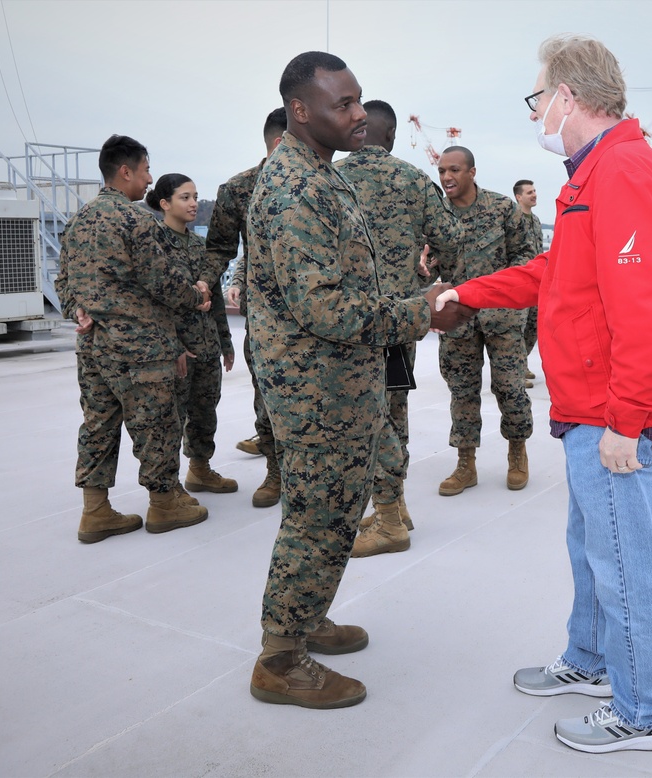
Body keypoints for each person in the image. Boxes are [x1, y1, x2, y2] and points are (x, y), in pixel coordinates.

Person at [435, 34, 652, 753]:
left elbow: (647, 310)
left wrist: (624, 420)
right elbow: (555, 272)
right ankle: (591, 661)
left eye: (536, 97)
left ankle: (644, 714)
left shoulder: (625, 172)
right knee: (590, 547)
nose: (535, 112)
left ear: (567, 97)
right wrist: (466, 292)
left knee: (623, 562)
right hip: (585, 406)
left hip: (611, 412)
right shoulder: (591, 175)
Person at [245, 51, 474, 710]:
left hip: (340, 380)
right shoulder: (296, 187)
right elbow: (323, 307)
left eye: (357, 101)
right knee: (318, 516)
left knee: (332, 510)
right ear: (300, 109)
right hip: (314, 386)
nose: (356, 116)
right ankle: (280, 657)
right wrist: (421, 311)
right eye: (341, 104)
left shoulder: (321, 174)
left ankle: (306, 615)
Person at [54, 135, 210, 542]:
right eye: (145, 171)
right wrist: (197, 295)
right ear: (126, 172)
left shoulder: (78, 221)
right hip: (140, 347)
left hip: (92, 347)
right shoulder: (137, 221)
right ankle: (164, 505)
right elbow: (163, 283)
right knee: (156, 424)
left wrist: (77, 310)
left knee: (97, 424)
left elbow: (63, 282)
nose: (149, 179)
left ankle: (96, 511)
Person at [337, 99, 465, 557]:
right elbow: (452, 237)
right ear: (390, 135)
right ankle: (396, 503)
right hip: (402, 317)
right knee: (394, 408)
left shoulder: (334, 176)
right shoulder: (412, 178)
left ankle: (388, 513)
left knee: (361, 416)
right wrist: (425, 274)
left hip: (348, 320)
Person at [434, 146, 534, 496]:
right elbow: (428, 264)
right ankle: (466, 463)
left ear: (472, 173)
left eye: (454, 170)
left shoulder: (501, 208)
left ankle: (517, 451)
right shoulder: (437, 215)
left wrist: (505, 289)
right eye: (442, 170)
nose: (447, 177)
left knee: (509, 387)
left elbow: (525, 254)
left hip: (502, 318)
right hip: (458, 320)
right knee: (462, 391)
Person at [207, 108, 288, 509]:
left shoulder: (328, 181)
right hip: (268, 320)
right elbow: (219, 251)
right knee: (267, 395)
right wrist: (206, 287)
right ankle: (275, 470)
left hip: (324, 315)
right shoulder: (239, 189)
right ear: (280, 143)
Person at [146, 174, 237, 496]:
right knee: (171, 418)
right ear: (164, 203)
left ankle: (200, 470)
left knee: (204, 410)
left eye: (195, 196)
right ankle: (167, 487)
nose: (193, 203)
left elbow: (214, 301)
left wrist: (225, 343)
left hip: (207, 345)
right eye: (184, 197)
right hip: (176, 348)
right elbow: (154, 302)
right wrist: (171, 346)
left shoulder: (201, 247)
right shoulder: (153, 245)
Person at [513, 179, 542, 389]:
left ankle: (522, 363)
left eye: (534, 191)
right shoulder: (513, 220)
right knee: (517, 328)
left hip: (537, 281)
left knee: (533, 326)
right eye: (529, 192)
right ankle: (515, 372)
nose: (534, 195)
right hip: (518, 282)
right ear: (518, 197)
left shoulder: (537, 221)